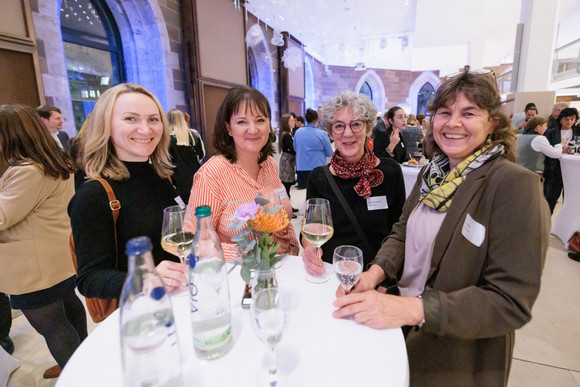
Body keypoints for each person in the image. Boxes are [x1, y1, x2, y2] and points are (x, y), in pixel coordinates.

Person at [333, 68, 550, 386]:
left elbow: (509, 301)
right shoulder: (432, 174)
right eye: (444, 112)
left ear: (493, 123)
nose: (453, 123)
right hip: (404, 330)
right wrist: (374, 273)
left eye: (469, 112)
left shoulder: (513, 185)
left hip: (458, 356)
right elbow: (403, 231)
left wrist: (412, 309)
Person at [69, 83, 186, 296]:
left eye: (153, 119)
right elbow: (90, 279)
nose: (146, 129)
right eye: (130, 118)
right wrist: (144, 279)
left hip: (181, 296)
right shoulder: (94, 195)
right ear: (106, 126)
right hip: (142, 312)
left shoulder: (162, 177)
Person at [0, 104, 88, 378]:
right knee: (69, 309)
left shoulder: (27, 170)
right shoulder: (53, 161)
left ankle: (78, 376)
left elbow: (3, 216)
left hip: (33, 265)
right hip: (56, 255)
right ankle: (83, 360)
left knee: (52, 326)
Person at [184, 85, 299, 261]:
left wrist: (294, 250)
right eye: (242, 122)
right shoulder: (211, 174)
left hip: (285, 269)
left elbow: (282, 220)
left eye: (260, 120)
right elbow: (195, 243)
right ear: (228, 128)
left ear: (269, 124)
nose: (253, 129)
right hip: (240, 279)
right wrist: (253, 255)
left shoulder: (269, 164)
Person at [302, 90, 406, 276]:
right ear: (330, 133)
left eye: (356, 124)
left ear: (368, 129)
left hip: (377, 274)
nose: (347, 133)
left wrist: (382, 275)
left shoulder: (390, 172)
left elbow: (399, 232)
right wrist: (310, 248)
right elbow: (311, 228)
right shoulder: (319, 177)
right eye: (339, 126)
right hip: (331, 273)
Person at [543, 107, 580, 213]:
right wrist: (558, 149)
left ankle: (566, 225)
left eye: (572, 119)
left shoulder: (578, 131)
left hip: (573, 169)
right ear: (561, 119)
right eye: (567, 119)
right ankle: (546, 221)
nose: (569, 122)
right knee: (551, 198)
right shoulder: (551, 132)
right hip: (555, 168)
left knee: (570, 199)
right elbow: (546, 149)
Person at [167, 109, 205, 203]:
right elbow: (201, 155)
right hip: (198, 182)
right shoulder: (194, 135)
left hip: (179, 185)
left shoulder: (166, 139)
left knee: (183, 212)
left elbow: (165, 164)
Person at [294, 108, 333, 189]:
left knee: (304, 193)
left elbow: (295, 148)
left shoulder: (298, 132)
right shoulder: (322, 134)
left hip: (301, 169)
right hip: (318, 169)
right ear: (317, 119)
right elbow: (329, 152)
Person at [277, 114, 298, 211]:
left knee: (288, 185)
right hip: (287, 162)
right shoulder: (285, 135)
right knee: (286, 185)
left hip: (290, 161)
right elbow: (293, 149)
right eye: (292, 121)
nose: (294, 122)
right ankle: (285, 208)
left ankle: (288, 206)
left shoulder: (289, 133)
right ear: (286, 123)